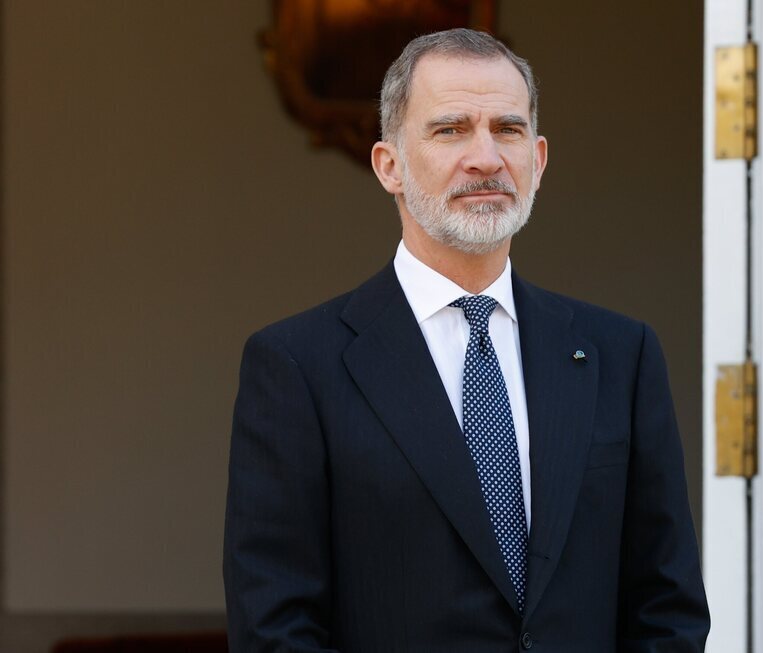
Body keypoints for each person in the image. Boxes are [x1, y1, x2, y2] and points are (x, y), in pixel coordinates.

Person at [224, 28, 709, 653]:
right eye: (451, 129)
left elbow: (667, 608)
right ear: (389, 165)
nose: (485, 157)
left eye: (506, 129)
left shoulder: (622, 354)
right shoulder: (295, 367)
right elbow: (274, 626)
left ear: (538, 159)